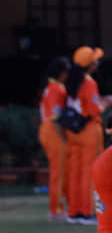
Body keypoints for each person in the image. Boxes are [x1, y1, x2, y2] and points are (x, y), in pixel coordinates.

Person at [63, 46, 106, 224]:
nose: (98, 62)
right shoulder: (89, 83)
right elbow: (93, 109)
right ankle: (87, 211)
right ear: (90, 65)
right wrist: (105, 104)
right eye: (95, 60)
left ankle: (74, 211)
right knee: (90, 172)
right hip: (88, 130)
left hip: (73, 131)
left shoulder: (72, 81)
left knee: (74, 172)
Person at [38, 56, 70, 222]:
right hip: (54, 131)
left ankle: (59, 208)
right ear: (61, 73)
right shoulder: (56, 88)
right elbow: (55, 117)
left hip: (48, 129)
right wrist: (64, 138)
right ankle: (55, 210)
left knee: (60, 171)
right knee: (59, 172)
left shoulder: (50, 87)